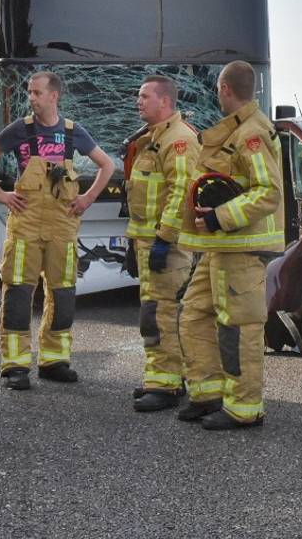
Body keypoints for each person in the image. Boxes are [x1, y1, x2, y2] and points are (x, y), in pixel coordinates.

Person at [0, 71, 115, 390]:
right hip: (25, 226)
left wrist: (87, 198)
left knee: (63, 293)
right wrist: (0, 194)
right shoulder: (20, 130)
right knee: (19, 294)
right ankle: (15, 364)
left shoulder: (72, 132)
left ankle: (54, 360)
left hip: (61, 227)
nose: (31, 97)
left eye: (37, 92)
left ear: (54, 96)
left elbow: (107, 165)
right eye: (30, 92)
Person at [177, 60, 284, 430]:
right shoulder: (240, 129)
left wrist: (220, 216)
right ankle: (207, 393)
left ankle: (244, 407)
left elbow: (268, 192)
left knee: (239, 327)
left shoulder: (251, 133)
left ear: (225, 89)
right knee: (194, 314)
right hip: (221, 247)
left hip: (240, 246)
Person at [125, 76, 201, 412]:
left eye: (144, 96)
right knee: (155, 312)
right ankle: (161, 376)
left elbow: (181, 192)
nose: (138, 101)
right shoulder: (155, 138)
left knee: (161, 313)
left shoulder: (179, 139)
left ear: (165, 101)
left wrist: (163, 240)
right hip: (149, 241)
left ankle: (167, 384)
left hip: (165, 246)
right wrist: (137, 242)